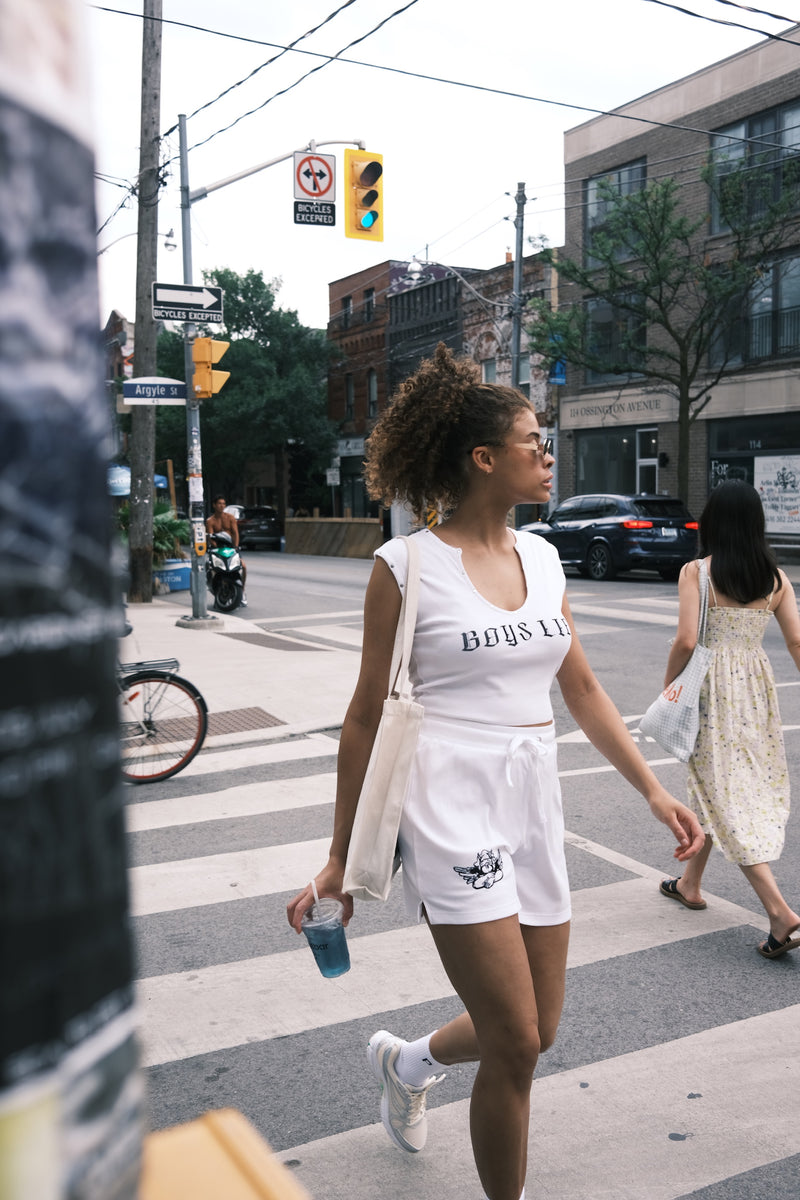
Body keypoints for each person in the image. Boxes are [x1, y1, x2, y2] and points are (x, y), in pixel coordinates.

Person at [286, 344, 704, 1200]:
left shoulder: (544, 558)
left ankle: (406, 1061)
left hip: (530, 796)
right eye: (532, 441)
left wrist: (656, 791)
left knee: (538, 1031)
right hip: (448, 805)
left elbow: (581, 687)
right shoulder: (404, 567)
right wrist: (340, 857)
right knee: (513, 1045)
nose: (546, 454)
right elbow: (365, 716)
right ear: (485, 459)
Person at [658, 480, 800, 960]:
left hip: (711, 689)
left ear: (713, 522)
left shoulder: (697, 572)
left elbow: (683, 640)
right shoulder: (777, 579)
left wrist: (670, 685)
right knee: (717, 786)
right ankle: (690, 885)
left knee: (723, 792)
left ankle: (780, 913)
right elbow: (797, 643)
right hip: (756, 693)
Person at [206, 494, 247, 605]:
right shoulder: (210, 521)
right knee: (212, 568)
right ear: (214, 505)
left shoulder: (230, 518)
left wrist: (236, 547)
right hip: (217, 548)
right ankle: (215, 588)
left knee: (243, 566)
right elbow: (210, 536)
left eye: (223, 504)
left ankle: (242, 591)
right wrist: (215, 546)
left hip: (231, 548)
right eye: (219, 503)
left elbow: (235, 533)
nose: (222, 506)